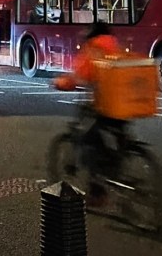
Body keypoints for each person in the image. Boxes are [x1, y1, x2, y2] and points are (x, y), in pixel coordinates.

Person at [55, 23, 122, 206]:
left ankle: (97, 191)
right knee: (117, 139)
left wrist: (62, 83)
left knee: (88, 141)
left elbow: (79, 75)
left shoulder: (93, 47)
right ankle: (120, 170)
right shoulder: (114, 44)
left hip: (103, 104)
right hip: (123, 104)